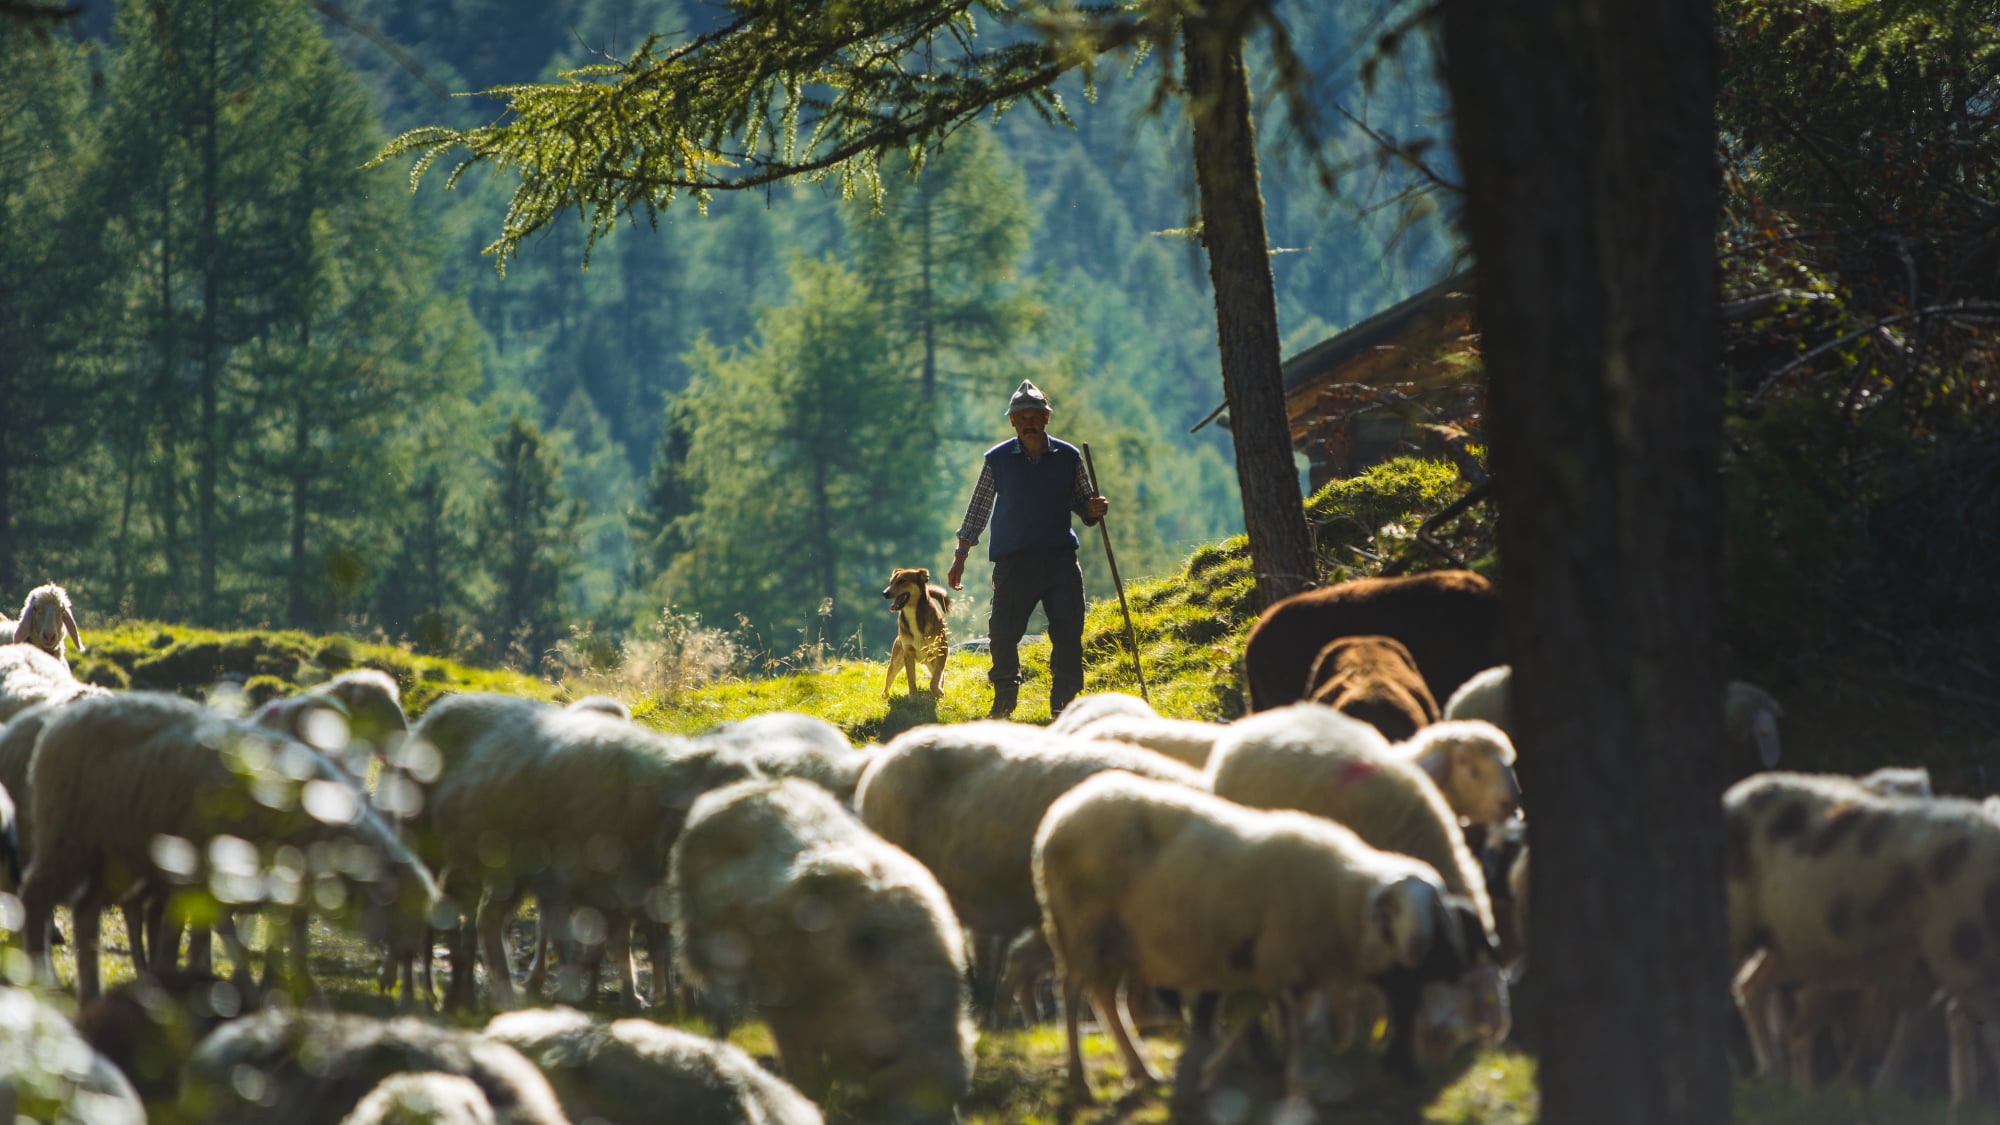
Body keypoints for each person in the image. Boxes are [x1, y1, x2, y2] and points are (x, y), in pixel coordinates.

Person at [946, 380, 1110, 719]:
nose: (1029, 423)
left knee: (1068, 633)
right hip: (1014, 563)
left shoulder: (1068, 457)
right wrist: (960, 555)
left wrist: (1093, 510)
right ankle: (1005, 700)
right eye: (1022, 419)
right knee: (1003, 635)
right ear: (1012, 423)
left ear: (1046, 418)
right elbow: (978, 509)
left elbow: (1084, 505)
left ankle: (1064, 708)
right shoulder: (998, 460)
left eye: (1035, 416)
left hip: (1060, 561)